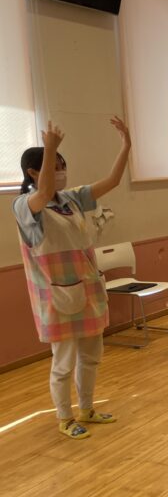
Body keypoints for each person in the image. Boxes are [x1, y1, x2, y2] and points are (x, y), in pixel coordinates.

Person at [14, 118, 130, 439]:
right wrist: (49, 148)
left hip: (89, 291)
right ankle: (65, 418)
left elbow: (113, 180)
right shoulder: (25, 205)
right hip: (58, 297)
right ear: (33, 173)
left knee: (91, 356)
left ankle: (88, 408)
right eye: (55, 165)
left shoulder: (72, 198)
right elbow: (45, 191)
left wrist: (126, 146)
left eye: (63, 165)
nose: (62, 171)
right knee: (63, 362)